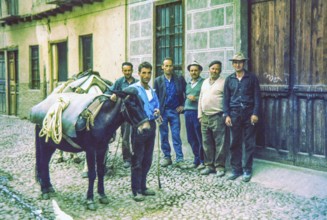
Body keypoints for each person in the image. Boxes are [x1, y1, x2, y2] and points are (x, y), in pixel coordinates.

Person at [223, 52, 261, 182]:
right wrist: (226, 114)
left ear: (243, 63)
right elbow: (226, 99)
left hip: (249, 114)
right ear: (233, 64)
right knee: (235, 142)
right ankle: (236, 169)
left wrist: (255, 113)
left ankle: (247, 169)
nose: (237, 64)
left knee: (249, 142)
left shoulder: (251, 78)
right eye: (235, 62)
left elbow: (257, 97)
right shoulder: (229, 79)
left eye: (240, 62)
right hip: (234, 114)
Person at [129, 61, 160, 202]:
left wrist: (157, 111)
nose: (147, 76)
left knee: (147, 159)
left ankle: (143, 186)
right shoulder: (133, 89)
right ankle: (136, 191)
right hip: (139, 128)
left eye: (149, 73)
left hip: (151, 125)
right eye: (144, 73)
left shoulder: (151, 90)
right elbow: (126, 103)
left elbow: (156, 105)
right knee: (138, 159)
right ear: (139, 73)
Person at [154, 57, 186, 168]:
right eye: (166, 66)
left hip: (174, 111)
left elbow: (186, 92)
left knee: (176, 135)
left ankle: (179, 159)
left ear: (173, 67)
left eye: (170, 65)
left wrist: (183, 105)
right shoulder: (158, 80)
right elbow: (155, 97)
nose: (168, 68)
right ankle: (167, 157)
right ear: (162, 67)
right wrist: (156, 110)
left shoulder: (179, 79)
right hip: (162, 112)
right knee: (164, 135)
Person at [198, 60, 227, 176]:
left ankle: (219, 166)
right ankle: (208, 165)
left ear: (220, 70)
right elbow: (201, 98)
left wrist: (225, 115)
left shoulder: (223, 82)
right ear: (209, 69)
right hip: (204, 117)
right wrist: (200, 115)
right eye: (212, 68)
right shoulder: (204, 82)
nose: (214, 71)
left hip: (217, 116)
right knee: (206, 142)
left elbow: (226, 100)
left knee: (220, 143)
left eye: (217, 69)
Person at [110, 62, 138, 168]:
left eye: (129, 70)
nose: (127, 72)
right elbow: (110, 90)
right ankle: (127, 158)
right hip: (124, 114)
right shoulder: (119, 82)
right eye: (125, 71)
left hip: (135, 114)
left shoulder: (137, 83)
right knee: (125, 137)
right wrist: (113, 94)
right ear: (122, 71)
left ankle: (136, 157)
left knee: (135, 136)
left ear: (132, 70)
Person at [184, 61, 205, 169]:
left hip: (197, 113)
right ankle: (196, 159)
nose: (193, 72)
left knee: (199, 137)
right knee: (190, 138)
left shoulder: (203, 83)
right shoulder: (188, 84)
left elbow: (205, 98)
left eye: (196, 70)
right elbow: (184, 96)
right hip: (187, 113)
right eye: (191, 70)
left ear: (200, 71)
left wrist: (196, 99)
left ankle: (202, 160)